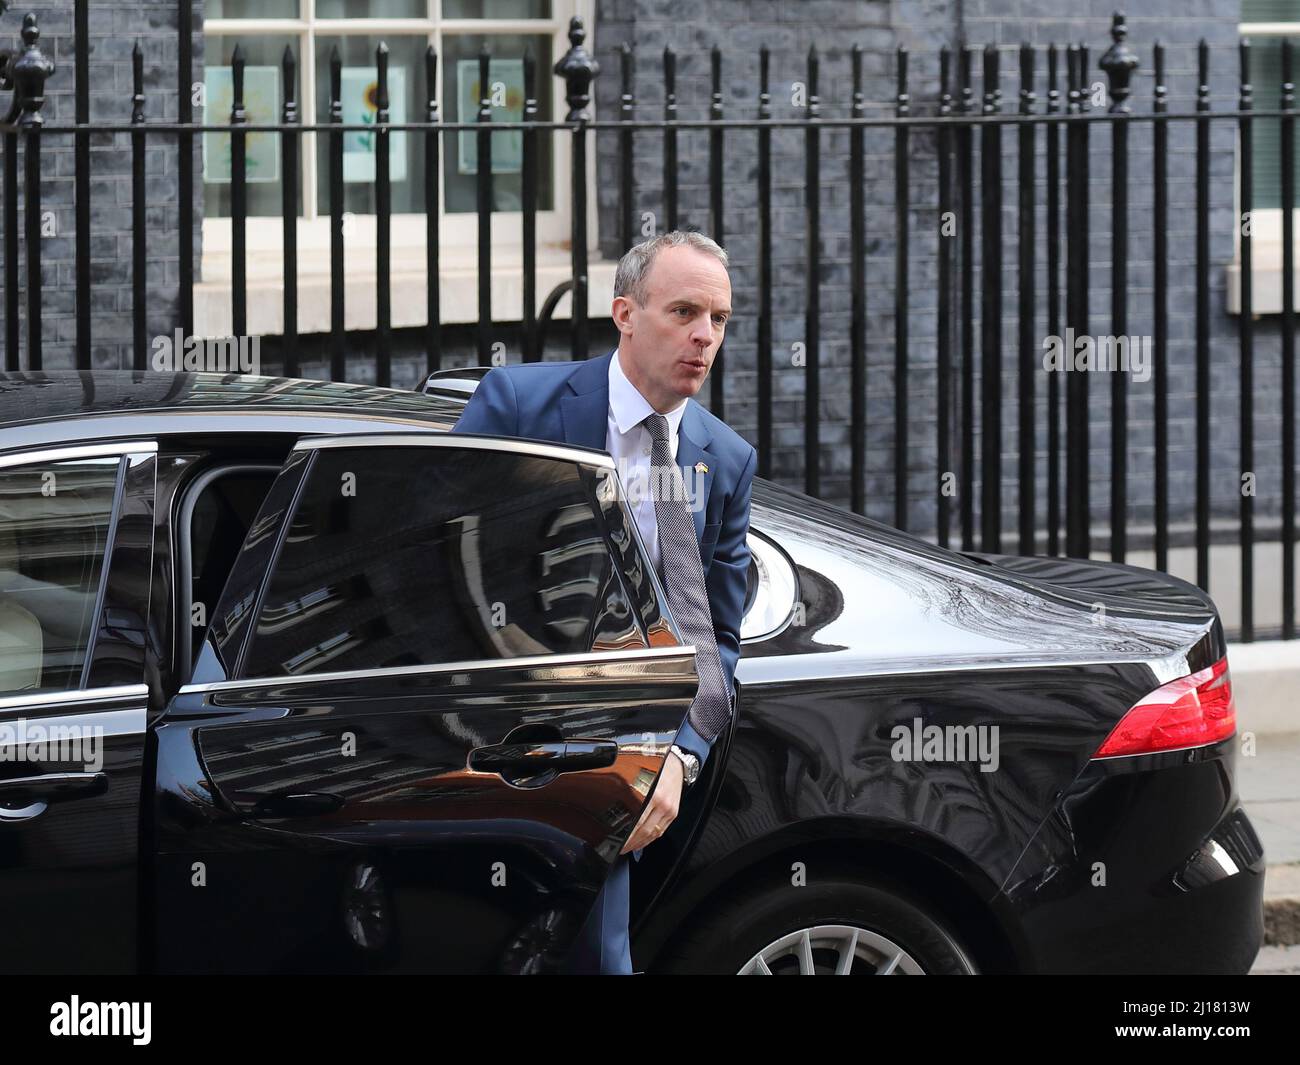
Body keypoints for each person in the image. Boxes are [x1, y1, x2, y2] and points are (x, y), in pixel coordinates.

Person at [453, 229, 757, 974]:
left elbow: (713, 633)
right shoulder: (519, 407)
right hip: (479, 752)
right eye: (684, 311)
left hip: (620, 765)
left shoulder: (725, 458)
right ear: (624, 312)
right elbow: (428, 558)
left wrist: (678, 760)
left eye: (718, 319)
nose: (703, 336)